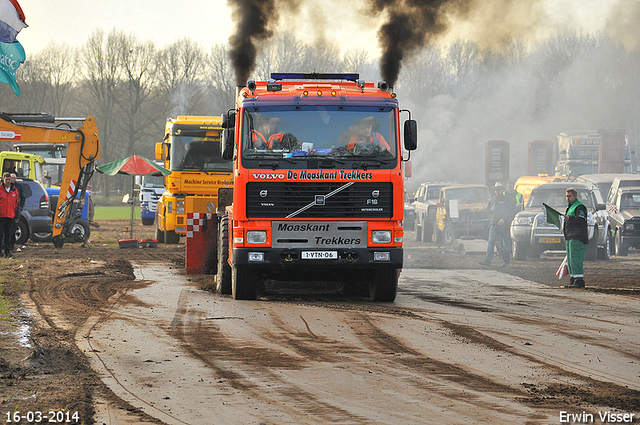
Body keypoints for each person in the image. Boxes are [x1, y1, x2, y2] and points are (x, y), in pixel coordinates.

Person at [480, 181, 517, 266]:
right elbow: (488, 211)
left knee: (506, 243)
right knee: (491, 242)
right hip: (494, 223)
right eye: (496, 189)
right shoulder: (492, 200)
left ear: (502, 190)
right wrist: (491, 210)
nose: (497, 191)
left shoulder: (506, 199)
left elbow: (510, 211)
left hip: (504, 225)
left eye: (499, 189)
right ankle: (488, 261)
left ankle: (506, 262)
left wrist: (504, 219)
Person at [564, 188, 588, 288]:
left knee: (576, 258)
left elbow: (582, 219)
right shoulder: (570, 207)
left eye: (569, 196)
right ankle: (573, 279)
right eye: (566, 196)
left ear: (575, 196)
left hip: (577, 237)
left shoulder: (579, 207)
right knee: (570, 259)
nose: (567, 198)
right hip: (570, 237)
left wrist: (570, 218)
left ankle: (579, 280)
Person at [0, 172, 20, 258]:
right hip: (1, 215)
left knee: (9, 234)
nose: (8, 181)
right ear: (3, 180)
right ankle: (1, 251)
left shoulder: (14, 190)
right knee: (0, 234)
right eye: (6, 179)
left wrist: (17, 216)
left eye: (9, 179)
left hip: (10, 215)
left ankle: (8, 251)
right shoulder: (0, 189)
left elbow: (17, 204)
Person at [9, 173, 25, 253]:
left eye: (14, 178)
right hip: (6, 212)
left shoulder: (18, 187)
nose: (13, 180)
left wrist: (20, 208)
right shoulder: (3, 187)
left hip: (14, 212)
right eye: (11, 178)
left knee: (13, 230)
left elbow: (22, 198)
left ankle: (11, 247)